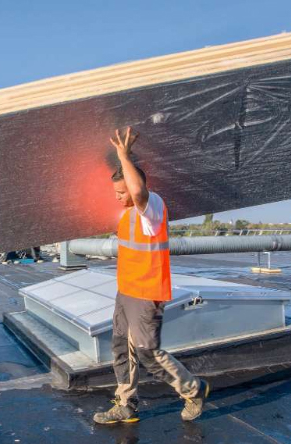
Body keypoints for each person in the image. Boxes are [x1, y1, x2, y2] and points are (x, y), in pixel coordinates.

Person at [93, 127, 209, 425]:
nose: (119, 198)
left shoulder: (152, 207)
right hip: (126, 291)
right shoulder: (128, 212)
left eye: (122, 192)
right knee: (121, 347)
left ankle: (193, 389)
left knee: (147, 354)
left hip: (146, 294)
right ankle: (126, 404)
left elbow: (138, 192)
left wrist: (122, 154)